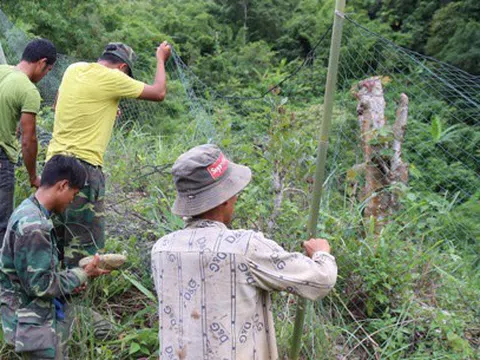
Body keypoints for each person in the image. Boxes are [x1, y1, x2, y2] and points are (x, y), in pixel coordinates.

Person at [151, 144, 338, 359]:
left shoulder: (161, 249)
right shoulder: (245, 247)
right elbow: (321, 280)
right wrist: (321, 253)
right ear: (225, 199)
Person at [46, 41, 171, 268]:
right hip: (81, 171)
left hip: (52, 166)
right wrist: (161, 59)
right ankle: (77, 302)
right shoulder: (114, 77)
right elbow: (159, 92)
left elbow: (57, 105)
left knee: (54, 240)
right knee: (82, 249)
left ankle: (51, 299)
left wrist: (105, 106)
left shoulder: (73, 69)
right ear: (122, 67)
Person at [0, 155, 110, 359]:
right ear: (63, 186)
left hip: (43, 306)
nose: (72, 201)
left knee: (103, 328)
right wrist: (82, 273)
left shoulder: (31, 210)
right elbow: (41, 285)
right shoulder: (34, 226)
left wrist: (72, 281)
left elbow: (38, 273)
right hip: (29, 320)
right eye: (74, 194)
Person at [0, 38, 57, 243]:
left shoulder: (2, 70)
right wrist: (33, 176)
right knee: (1, 225)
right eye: (48, 71)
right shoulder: (28, 90)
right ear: (42, 63)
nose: (44, 76)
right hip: (1, 157)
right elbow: (28, 140)